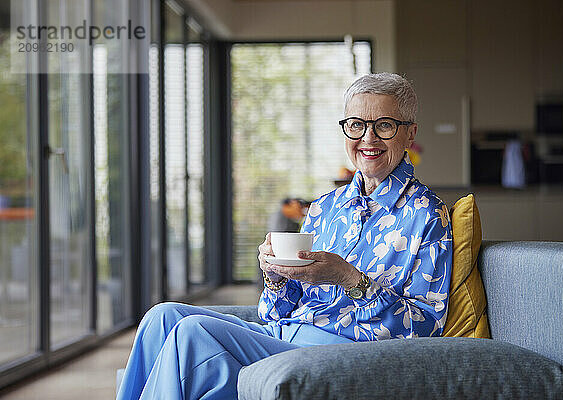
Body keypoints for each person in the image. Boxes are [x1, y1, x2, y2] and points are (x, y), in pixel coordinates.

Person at [116, 72, 453, 400]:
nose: (368, 138)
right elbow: (273, 315)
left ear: (410, 134)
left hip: (344, 352)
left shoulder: (427, 215)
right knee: (163, 317)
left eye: (384, 125)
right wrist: (275, 276)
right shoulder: (326, 207)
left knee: (192, 334)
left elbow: (426, 328)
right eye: (356, 125)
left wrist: (350, 278)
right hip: (283, 335)